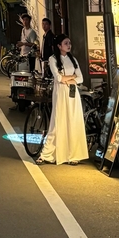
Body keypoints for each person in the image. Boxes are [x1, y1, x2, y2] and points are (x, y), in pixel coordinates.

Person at [38, 34, 88, 166]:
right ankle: (48, 153)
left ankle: (74, 154)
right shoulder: (53, 59)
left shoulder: (73, 59)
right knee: (58, 120)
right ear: (59, 46)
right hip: (60, 93)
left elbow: (81, 78)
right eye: (66, 43)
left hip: (72, 93)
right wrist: (71, 78)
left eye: (69, 43)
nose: (69, 45)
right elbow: (58, 78)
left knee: (73, 120)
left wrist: (67, 78)